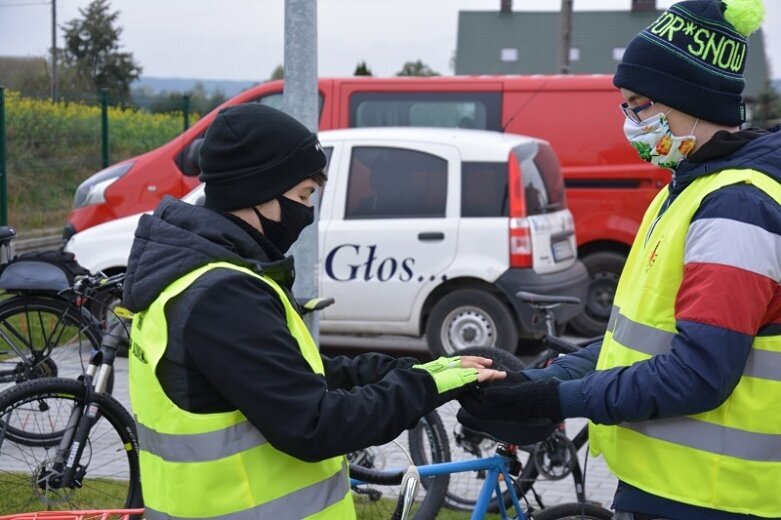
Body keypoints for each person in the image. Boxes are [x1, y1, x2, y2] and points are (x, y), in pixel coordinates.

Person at [459, 1, 781, 519]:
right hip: (673, 485)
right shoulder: (687, 189)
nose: (629, 123)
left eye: (639, 105)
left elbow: (698, 374)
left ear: (687, 100)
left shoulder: (737, 205)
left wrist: (556, 402)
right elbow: (635, 343)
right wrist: (542, 382)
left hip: (714, 497)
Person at [123, 103, 505, 520]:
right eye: (304, 195)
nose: (307, 212)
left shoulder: (200, 278)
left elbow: (298, 373)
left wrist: (416, 371)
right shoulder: (223, 295)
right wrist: (423, 390)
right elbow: (315, 425)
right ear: (257, 191)